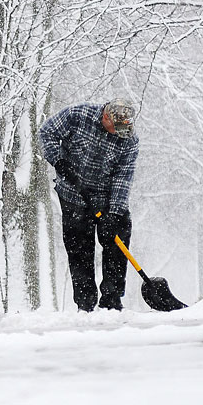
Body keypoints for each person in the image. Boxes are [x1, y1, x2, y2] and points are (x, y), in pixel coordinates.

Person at [39, 98, 139, 311]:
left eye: (124, 128)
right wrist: (59, 162)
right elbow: (47, 132)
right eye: (116, 127)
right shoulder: (77, 115)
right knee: (80, 249)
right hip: (73, 195)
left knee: (117, 240)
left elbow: (123, 176)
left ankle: (111, 301)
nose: (119, 133)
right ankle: (85, 304)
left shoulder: (128, 138)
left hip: (107, 196)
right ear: (105, 116)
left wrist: (114, 213)